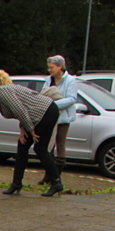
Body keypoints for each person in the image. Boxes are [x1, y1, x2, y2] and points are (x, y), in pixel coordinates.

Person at [0, 70, 62, 197]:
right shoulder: (2, 93)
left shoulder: (3, 91)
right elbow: (20, 111)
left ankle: (56, 183)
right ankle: (16, 183)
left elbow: (20, 110)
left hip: (45, 113)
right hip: (36, 116)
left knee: (40, 148)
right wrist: (24, 128)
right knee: (22, 146)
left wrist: (30, 130)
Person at [40, 54, 78, 185]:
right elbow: (43, 94)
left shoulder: (70, 81)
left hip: (63, 117)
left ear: (60, 67)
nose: (50, 70)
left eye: (52, 67)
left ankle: (57, 175)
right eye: (49, 67)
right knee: (49, 145)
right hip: (49, 117)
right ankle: (48, 174)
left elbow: (72, 98)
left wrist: (54, 105)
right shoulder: (48, 80)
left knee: (60, 143)